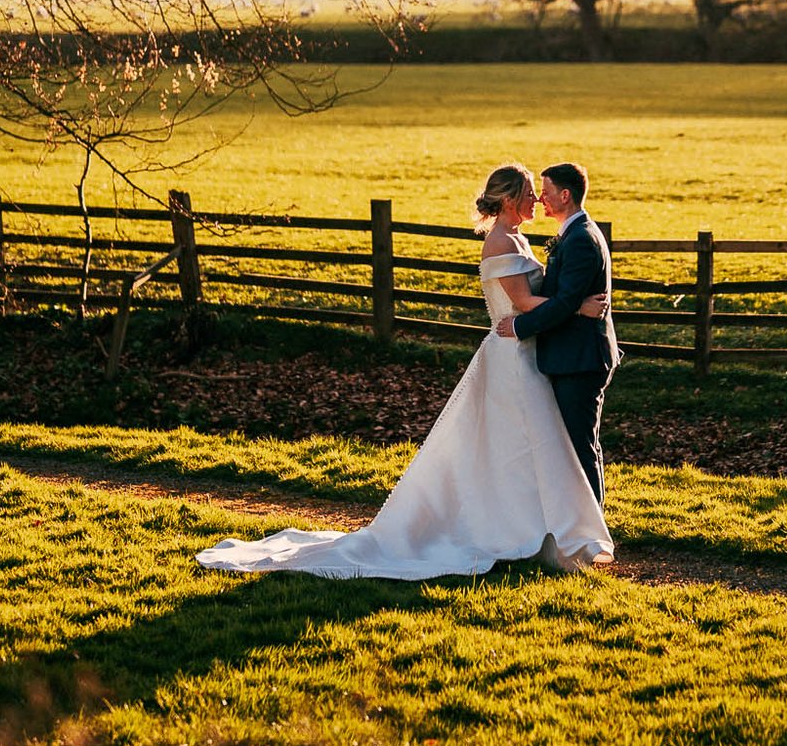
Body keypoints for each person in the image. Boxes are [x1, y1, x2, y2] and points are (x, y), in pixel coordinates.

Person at [195, 162, 614, 578]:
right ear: (508, 200)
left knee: (530, 449)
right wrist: (576, 307)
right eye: (527, 194)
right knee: (512, 448)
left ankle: (543, 531)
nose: (535, 199)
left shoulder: (519, 238)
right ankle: (511, 529)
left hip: (528, 356)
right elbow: (522, 304)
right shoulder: (500, 243)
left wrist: (567, 306)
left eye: (538, 193)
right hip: (511, 357)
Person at [493, 162, 621, 501]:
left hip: (580, 359)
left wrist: (519, 326)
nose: (539, 199)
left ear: (565, 195)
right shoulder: (575, 233)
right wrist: (578, 305)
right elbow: (563, 299)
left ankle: (593, 533)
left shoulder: (580, 239)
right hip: (570, 356)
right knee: (571, 446)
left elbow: (562, 303)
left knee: (580, 447)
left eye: (546, 193)